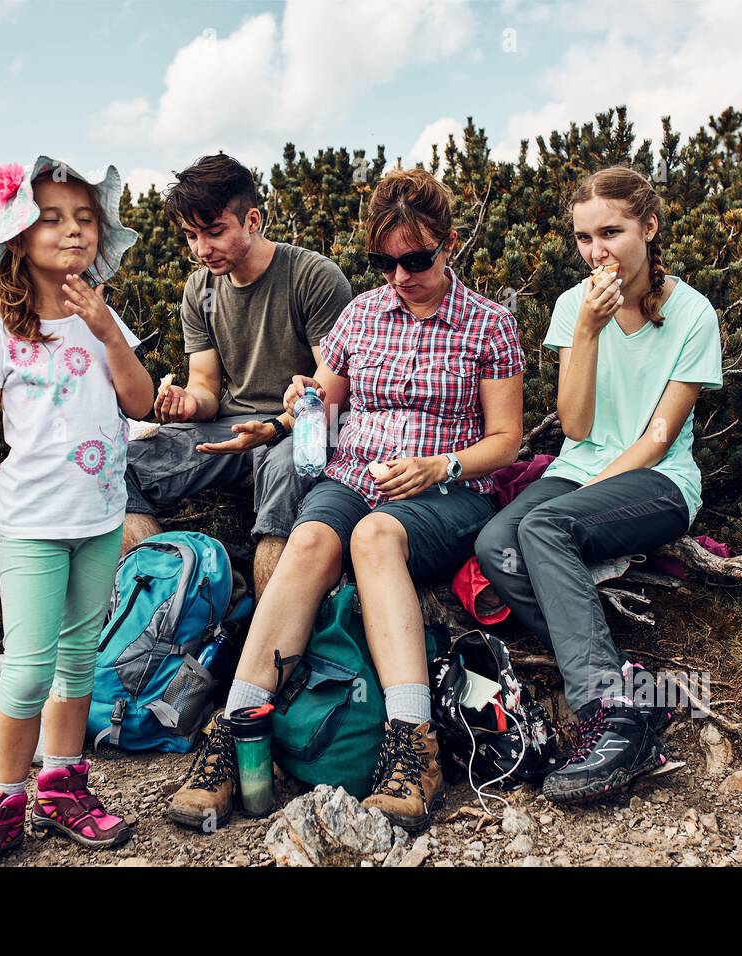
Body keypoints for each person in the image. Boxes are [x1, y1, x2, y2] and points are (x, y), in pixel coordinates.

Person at [168, 168, 524, 832]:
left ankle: (411, 746)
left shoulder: (489, 324)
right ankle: (237, 730)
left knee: (374, 539)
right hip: (352, 475)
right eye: (384, 262)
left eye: (416, 260)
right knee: (308, 541)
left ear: (449, 244)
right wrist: (290, 414)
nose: (400, 275)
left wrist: (437, 465)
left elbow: (506, 440)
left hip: (446, 490)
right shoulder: (362, 314)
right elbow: (323, 402)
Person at [0, 157, 154, 866]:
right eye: (52, 218)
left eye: (85, 219)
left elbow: (139, 403)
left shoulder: (104, 321)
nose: (73, 231)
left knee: (78, 661)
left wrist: (109, 331)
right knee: (26, 669)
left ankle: (62, 784)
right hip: (31, 527)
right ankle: (0, 802)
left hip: (101, 518)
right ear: (19, 237)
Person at [475, 165, 723, 806]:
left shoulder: (694, 314)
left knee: (544, 526)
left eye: (610, 232)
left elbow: (658, 437)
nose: (597, 251)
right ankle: (626, 683)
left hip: (659, 480)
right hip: (577, 468)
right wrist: (585, 330)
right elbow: (578, 425)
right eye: (584, 238)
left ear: (650, 226)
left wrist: (579, 499)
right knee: (496, 545)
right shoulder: (571, 306)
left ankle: (608, 713)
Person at [121, 154, 354, 598]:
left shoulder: (313, 277)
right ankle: (173, 601)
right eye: (191, 236)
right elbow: (206, 387)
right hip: (230, 430)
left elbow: (330, 393)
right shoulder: (201, 290)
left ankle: (268, 651)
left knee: (287, 475)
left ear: (252, 219)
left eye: (214, 232)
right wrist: (188, 404)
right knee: (116, 463)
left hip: (298, 431)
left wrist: (272, 429)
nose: (201, 249)